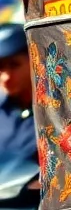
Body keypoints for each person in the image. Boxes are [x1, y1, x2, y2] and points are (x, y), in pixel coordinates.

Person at [0, 24, 38, 158]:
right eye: (0, 67)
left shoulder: (56, 108)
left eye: (14, 65)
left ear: (33, 59)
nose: (6, 77)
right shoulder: (3, 111)